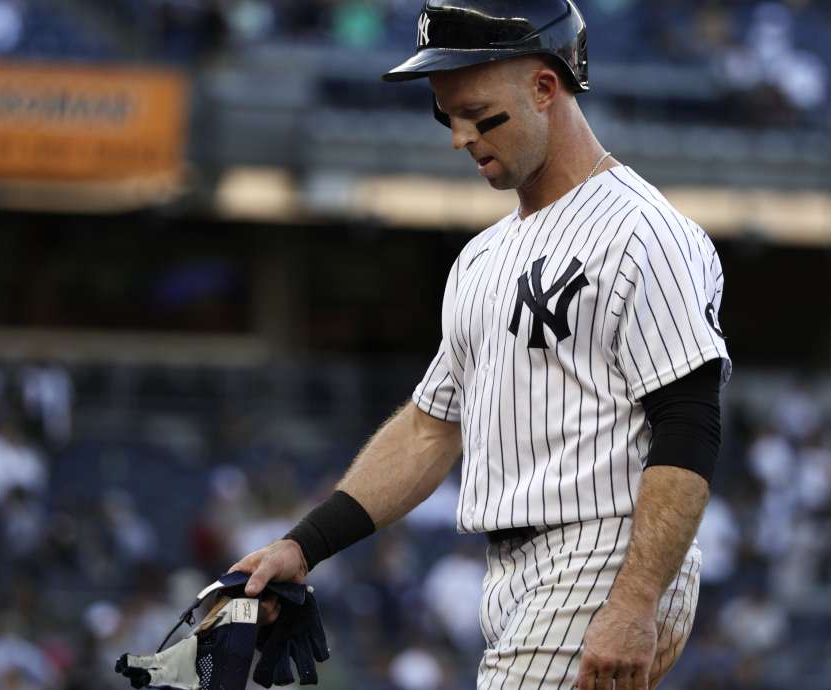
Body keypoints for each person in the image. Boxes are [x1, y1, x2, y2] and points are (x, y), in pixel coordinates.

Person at [232, 1, 731, 688]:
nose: (460, 137)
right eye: (447, 116)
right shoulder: (481, 259)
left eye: (480, 114)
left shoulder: (643, 232)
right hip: (514, 577)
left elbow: (690, 425)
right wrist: (304, 545)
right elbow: (428, 431)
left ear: (544, 88)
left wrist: (635, 600)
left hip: (603, 555)